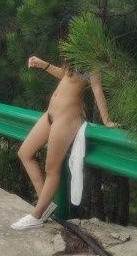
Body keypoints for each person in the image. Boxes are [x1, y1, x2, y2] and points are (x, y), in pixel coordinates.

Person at [11, 26, 118, 230]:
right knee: (24, 153)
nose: (64, 39)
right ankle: (45, 206)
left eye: (66, 35)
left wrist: (107, 120)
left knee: (51, 168)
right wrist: (43, 64)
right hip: (51, 114)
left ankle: (37, 216)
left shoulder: (91, 58)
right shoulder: (73, 54)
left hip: (67, 118)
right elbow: (65, 75)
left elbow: (96, 88)